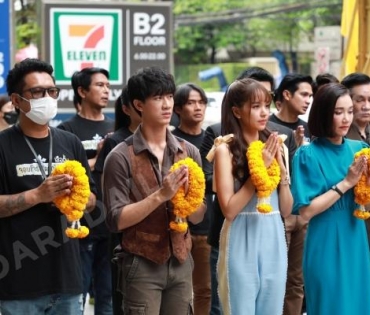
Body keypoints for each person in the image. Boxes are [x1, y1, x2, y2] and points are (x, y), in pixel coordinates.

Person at [103, 66, 206, 314]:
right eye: (158, 98)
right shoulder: (120, 156)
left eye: (169, 96)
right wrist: (162, 195)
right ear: (139, 104)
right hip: (141, 262)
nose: (167, 104)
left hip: (181, 260)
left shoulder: (188, 151)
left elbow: (200, 215)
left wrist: (188, 202)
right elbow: (115, 220)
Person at [0, 58, 96, 314]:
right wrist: (38, 195)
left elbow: (92, 200)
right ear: (17, 100)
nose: (47, 98)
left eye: (51, 91)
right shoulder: (2, 144)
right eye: (37, 92)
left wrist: (76, 197)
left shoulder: (70, 141)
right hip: (18, 283)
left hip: (68, 280)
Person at [199, 66, 296, 315]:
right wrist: (257, 172)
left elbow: (286, 209)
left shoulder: (278, 146)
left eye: (267, 105)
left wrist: (282, 173)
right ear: (236, 111)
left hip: (274, 235)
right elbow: (229, 209)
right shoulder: (225, 149)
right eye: (256, 106)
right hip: (240, 236)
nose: (265, 113)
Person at [291, 82, 370, 314]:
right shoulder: (307, 154)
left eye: (349, 111)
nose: (346, 118)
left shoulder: (360, 148)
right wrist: (346, 183)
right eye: (338, 112)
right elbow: (305, 211)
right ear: (324, 113)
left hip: (356, 238)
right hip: (324, 241)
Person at [57, 67, 114, 314]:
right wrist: (99, 157)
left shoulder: (115, 127)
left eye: (107, 85)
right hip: (81, 225)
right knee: (76, 296)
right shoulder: (66, 131)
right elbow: (67, 176)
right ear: (82, 91)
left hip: (112, 222)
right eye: (99, 85)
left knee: (109, 297)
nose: (106, 90)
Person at [94, 86, 141, 315]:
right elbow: (109, 193)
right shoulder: (117, 142)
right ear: (129, 108)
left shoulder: (170, 142)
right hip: (124, 232)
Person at [270, 73, 313, 315]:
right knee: (274, 278)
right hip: (276, 212)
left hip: (303, 214)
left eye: (310, 96)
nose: (308, 101)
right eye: (304, 94)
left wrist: (302, 148)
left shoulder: (308, 129)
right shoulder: (267, 127)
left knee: (296, 282)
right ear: (286, 94)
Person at [172, 83, 210, 315]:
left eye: (201, 102)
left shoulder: (212, 140)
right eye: (191, 102)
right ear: (178, 108)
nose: (198, 107)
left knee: (205, 289)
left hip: (205, 225)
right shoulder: (172, 141)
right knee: (179, 290)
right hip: (177, 226)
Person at [341, 72, 370, 247]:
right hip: (351, 221)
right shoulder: (338, 137)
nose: (367, 106)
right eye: (360, 100)